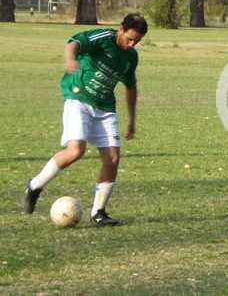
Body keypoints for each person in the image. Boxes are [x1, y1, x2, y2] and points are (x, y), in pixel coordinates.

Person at [23, 14, 148, 226]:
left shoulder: (131, 57)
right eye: (129, 39)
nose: (131, 45)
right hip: (78, 98)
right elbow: (74, 42)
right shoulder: (103, 37)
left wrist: (132, 121)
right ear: (121, 28)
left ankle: (99, 213)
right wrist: (70, 59)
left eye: (137, 41)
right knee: (75, 151)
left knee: (112, 159)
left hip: (105, 107)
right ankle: (34, 186)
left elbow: (131, 87)